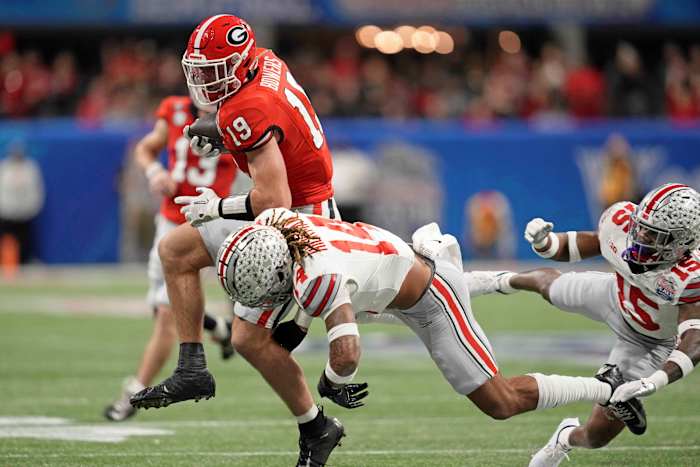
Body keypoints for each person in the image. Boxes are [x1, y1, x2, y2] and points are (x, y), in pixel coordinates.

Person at [213, 208, 649, 467]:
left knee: (500, 403)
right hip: (389, 271)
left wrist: (331, 382)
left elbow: (346, 355)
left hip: (427, 301)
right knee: (376, 294)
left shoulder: (318, 279)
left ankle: (608, 387)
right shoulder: (274, 220)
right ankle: (496, 279)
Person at [130, 14, 340, 414]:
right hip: (294, 201)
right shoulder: (265, 60)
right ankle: (192, 367)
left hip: (301, 217)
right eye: (200, 71)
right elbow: (278, 136)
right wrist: (229, 140)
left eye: (215, 70)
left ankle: (315, 424)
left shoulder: (247, 105)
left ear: (239, 63)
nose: (205, 81)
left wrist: (216, 207)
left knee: (249, 341)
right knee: (174, 250)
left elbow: (274, 198)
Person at [466, 183, 700, 466]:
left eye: (654, 235)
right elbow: (582, 245)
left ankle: (564, 438)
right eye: (641, 226)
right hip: (614, 295)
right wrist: (547, 243)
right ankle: (496, 280)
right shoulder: (623, 224)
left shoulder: (691, 276)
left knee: (597, 435)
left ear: (682, 244)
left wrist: (654, 381)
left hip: (649, 341)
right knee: (551, 286)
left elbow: (694, 341)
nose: (641, 236)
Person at [103, 95, 237, 422]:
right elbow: (145, 149)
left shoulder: (239, 115)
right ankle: (219, 328)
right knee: (162, 307)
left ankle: (132, 396)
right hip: (168, 218)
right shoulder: (174, 109)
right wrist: (153, 172)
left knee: (166, 316)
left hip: (203, 222)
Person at [0, 142, 44, 271]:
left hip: (25, 213)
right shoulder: (4, 168)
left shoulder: (30, 168)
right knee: (7, 239)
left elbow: (36, 190)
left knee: (26, 240)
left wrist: (32, 208)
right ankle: (6, 264)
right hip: (7, 212)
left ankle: (26, 262)